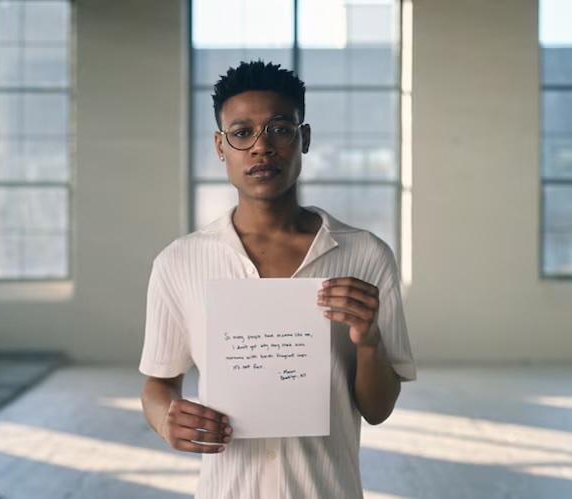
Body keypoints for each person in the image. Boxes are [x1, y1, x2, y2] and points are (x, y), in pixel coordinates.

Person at [139, 60, 416, 498]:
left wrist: (368, 342)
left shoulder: (365, 255)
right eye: (242, 132)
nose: (261, 148)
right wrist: (164, 418)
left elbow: (378, 410)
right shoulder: (180, 262)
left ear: (303, 138)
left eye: (280, 129)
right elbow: (159, 380)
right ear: (220, 146)